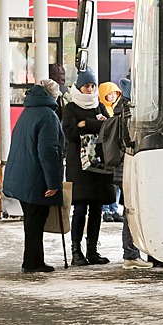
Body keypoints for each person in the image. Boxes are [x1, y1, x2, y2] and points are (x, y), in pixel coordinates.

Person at [3, 79, 65, 273]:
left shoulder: (28, 111)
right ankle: (32, 262)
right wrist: (53, 183)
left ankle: (34, 260)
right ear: (53, 96)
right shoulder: (48, 116)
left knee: (31, 221)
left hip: (23, 175)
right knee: (36, 221)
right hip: (36, 177)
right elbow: (48, 152)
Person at [62, 66, 116, 266]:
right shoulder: (70, 108)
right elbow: (70, 134)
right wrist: (92, 124)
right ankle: (76, 251)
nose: (90, 89)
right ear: (79, 87)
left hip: (99, 167)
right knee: (80, 209)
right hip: (80, 168)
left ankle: (92, 250)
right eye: (87, 86)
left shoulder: (99, 105)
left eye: (93, 85)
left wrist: (86, 124)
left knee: (97, 209)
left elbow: (108, 128)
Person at [116, 78, 153, 270]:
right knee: (130, 211)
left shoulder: (121, 111)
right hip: (129, 167)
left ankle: (132, 253)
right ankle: (130, 254)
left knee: (130, 210)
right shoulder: (130, 113)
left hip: (125, 167)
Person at [98, 81, 125, 223]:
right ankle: (106, 209)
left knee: (116, 183)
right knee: (108, 181)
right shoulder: (102, 109)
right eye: (110, 94)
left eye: (115, 93)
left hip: (116, 150)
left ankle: (114, 209)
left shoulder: (118, 109)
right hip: (108, 150)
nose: (113, 96)